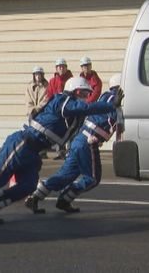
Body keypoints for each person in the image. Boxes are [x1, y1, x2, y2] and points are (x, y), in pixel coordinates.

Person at [0, 76, 116, 224]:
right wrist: (110, 106)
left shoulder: (75, 115)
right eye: (83, 94)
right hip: (22, 144)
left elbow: (82, 114)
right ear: (75, 91)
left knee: (28, 185)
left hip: (33, 152)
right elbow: (84, 108)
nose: (85, 98)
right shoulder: (62, 100)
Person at [25, 74, 125, 214]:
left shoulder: (105, 96)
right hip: (89, 141)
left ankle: (36, 195)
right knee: (92, 178)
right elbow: (118, 122)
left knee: (65, 175)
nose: (86, 96)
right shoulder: (114, 100)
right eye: (84, 92)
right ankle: (65, 199)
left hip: (79, 140)